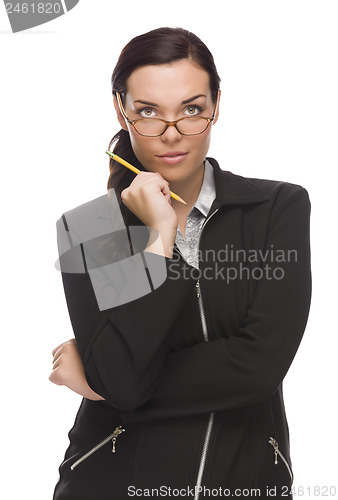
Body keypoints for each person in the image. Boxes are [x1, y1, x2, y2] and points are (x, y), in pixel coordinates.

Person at [50, 27, 311, 500]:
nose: (172, 135)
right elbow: (126, 379)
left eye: (191, 110)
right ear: (121, 109)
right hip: (110, 484)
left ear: (215, 105)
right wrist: (160, 239)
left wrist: (101, 383)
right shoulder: (90, 228)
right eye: (148, 112)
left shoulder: (277, 208)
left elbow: (259, 366)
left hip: (245, 482)